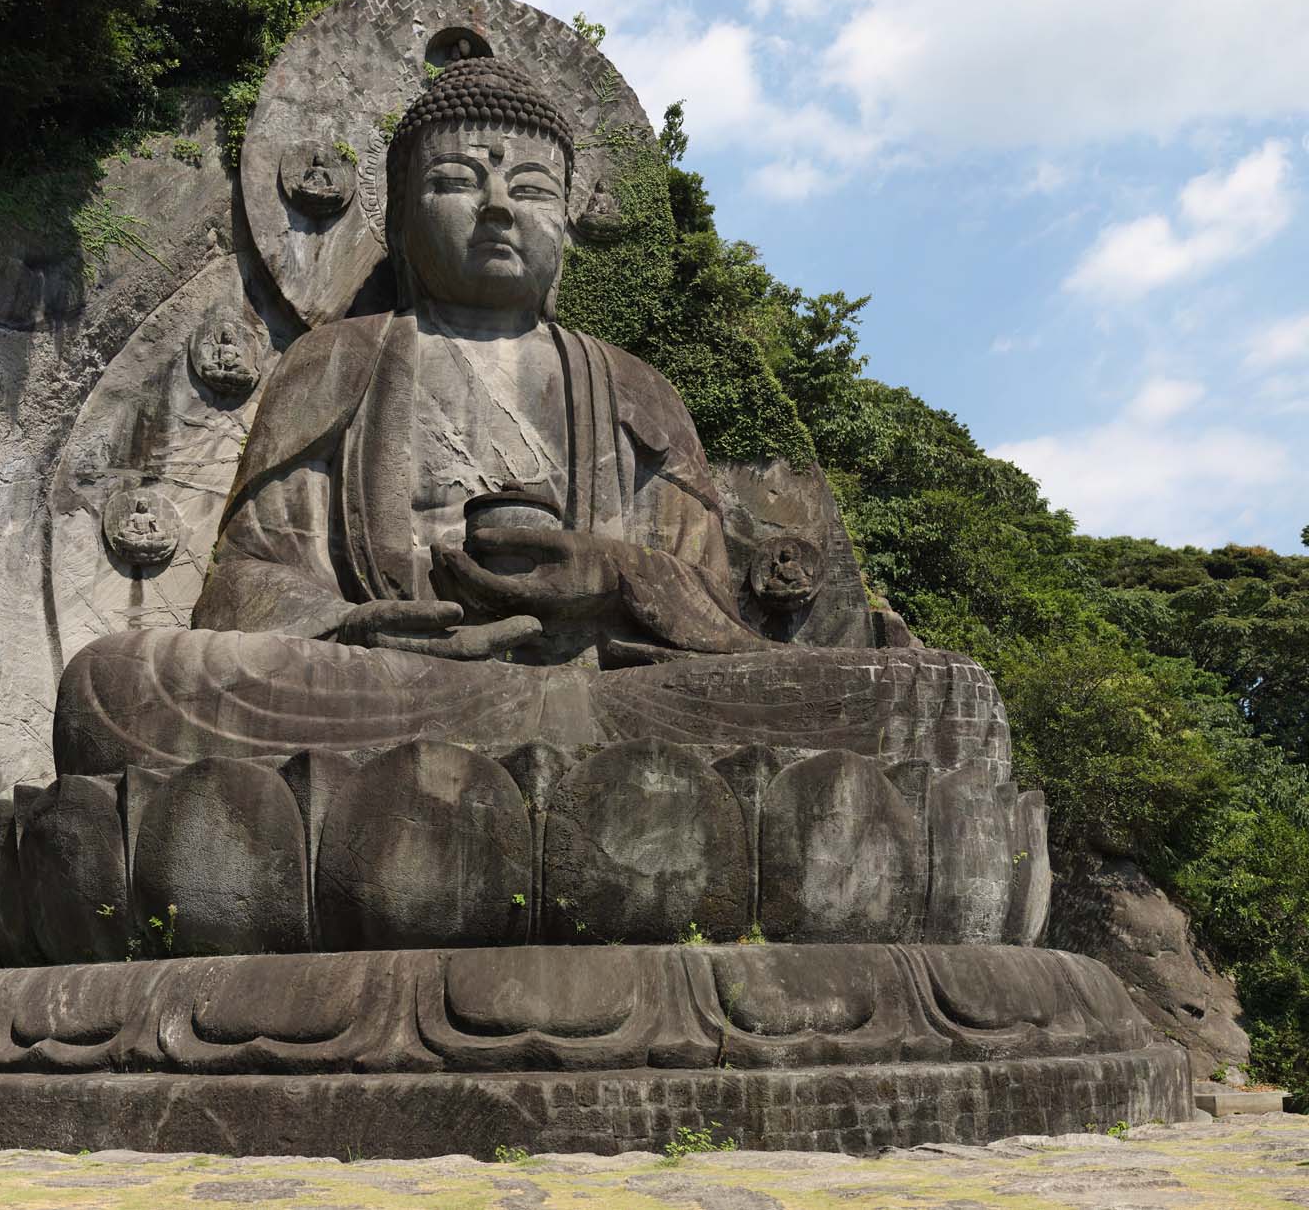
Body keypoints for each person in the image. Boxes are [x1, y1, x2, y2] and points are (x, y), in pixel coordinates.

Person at [55, 60, 1007, 779]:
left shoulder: (633, 386)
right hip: (400, 694)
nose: (500, 208)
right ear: (400, 216)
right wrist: (357, 624)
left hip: (614, 691)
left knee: (929, 699)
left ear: (565, 224)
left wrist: (616, 573)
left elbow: (712, 617)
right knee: (123, 686)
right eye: (459, 181)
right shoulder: (338, 357)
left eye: (533, 189)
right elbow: (240, 591)